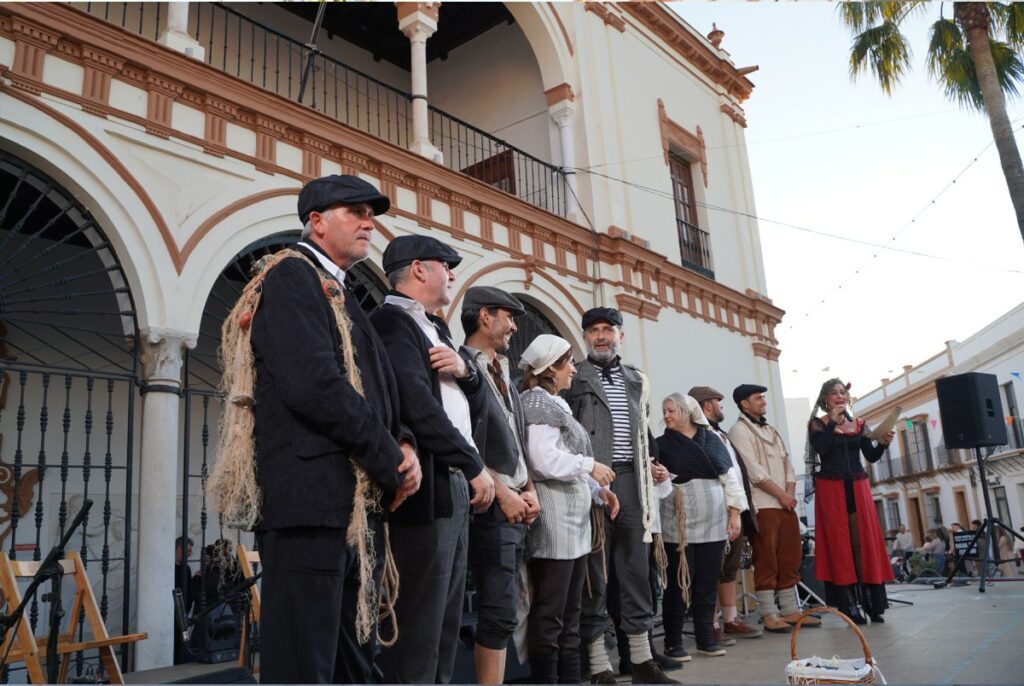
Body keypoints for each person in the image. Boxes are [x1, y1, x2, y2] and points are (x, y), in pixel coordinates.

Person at [208, 174, 422, 683]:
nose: (369, 222)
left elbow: (383, 387)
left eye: (372, 214)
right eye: (356, 212)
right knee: (305, 666)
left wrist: (406, 441)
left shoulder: (347, 294)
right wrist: (390, 459)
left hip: (348, 507)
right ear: (317, 222)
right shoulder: (291, 278)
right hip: (311, 508)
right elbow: (314, 386)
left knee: (351, 664)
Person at [371, 235, 496, 684]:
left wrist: (467, 373)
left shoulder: (437, 328)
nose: (453, 275)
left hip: (455, 480)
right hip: (427, 488)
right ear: (420, 269)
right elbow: (417, 409)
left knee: (446, 618)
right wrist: (474, 465)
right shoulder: (390, 323)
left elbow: (475, 409)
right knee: (419, 624)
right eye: (447, 266)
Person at [563, 307, 678, 684]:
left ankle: (642, 661)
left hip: (632, 482)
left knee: (635, 568)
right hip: (591, 480)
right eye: (594, 330)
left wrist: (653, 463)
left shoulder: (636, 379)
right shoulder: (573, 375)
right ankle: (599, 665)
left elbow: (642, 430)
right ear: (585, 337)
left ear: (620, 336)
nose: (601, 336)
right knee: (595, 571)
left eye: (608, 329)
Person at [517, 334, 619, 685]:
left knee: (571, 609)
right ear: (550, 369)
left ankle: (571, 679)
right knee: (552, 610)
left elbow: (564, 458)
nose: (574, 369)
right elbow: (543, 461)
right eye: (568, 363)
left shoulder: (554, 403)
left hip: (572, 520)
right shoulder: (536, 402)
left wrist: (599, 491)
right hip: (554, 519)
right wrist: (589, 466)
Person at [459, 287, 541, 684]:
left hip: (518, 500)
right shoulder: (460, 365)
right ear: (484, 316)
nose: (513, 325)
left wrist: (530, 489)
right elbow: (462, 440)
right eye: (508, 316)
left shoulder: (503, 369)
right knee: (499, 608)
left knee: (511, 606)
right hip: (489, 503)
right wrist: (504, 492)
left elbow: (516, 435)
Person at [657, 394, 743, 658]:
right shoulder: (661, 444)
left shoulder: (713, 440)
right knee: (678, 583)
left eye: (671, 410)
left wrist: (735, 513)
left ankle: (706, 638)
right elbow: (657, 482)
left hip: (713, 521)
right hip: (678, 523)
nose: (667, 416)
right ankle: (674, 642)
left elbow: (729, 478)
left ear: (687, 411)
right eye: (665, 411)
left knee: (707, 582)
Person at [728, 384, 817, 633]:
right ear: (744, 404)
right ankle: (769, 612)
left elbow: (788, 462)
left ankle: (790, 610)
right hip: (763, 504)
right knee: (766, 557)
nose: (763, 401)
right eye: (758, 398)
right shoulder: (738, 431)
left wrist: (789, 494)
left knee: (790, 555)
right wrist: (782, 496)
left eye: (763, 397)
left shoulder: (772, 430)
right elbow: (754, 472)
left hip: (783, 504)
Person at [805, 378, 894, 624]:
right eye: (834, 393)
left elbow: (871, 456)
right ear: (825, 399)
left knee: (863, 541)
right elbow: (821, 450)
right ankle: (850, 605)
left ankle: (872, 602)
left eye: (842, 392)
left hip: (858, 485)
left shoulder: (859, 424)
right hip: (831, 488)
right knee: (839, 545)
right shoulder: (817, 424)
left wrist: (883, 445)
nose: (839, 395)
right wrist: (833, 419)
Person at [688, 385, 762, 641]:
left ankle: (731, 620)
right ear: (707, 406)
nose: (722, 407)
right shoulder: (698, 435)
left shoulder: (722, 435)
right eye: (719, 402)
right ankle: (711, 624)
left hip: (734, 509)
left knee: (729, 568)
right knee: (710, 568)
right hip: (715, 511)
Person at [173, 536, 194, 664]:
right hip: (170, 613)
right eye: (187, 551)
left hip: (183, 613)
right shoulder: (169, 567)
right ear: (178, 549)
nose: (189, 554)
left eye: (190, 551)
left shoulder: (186, 568)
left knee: (182, 641)